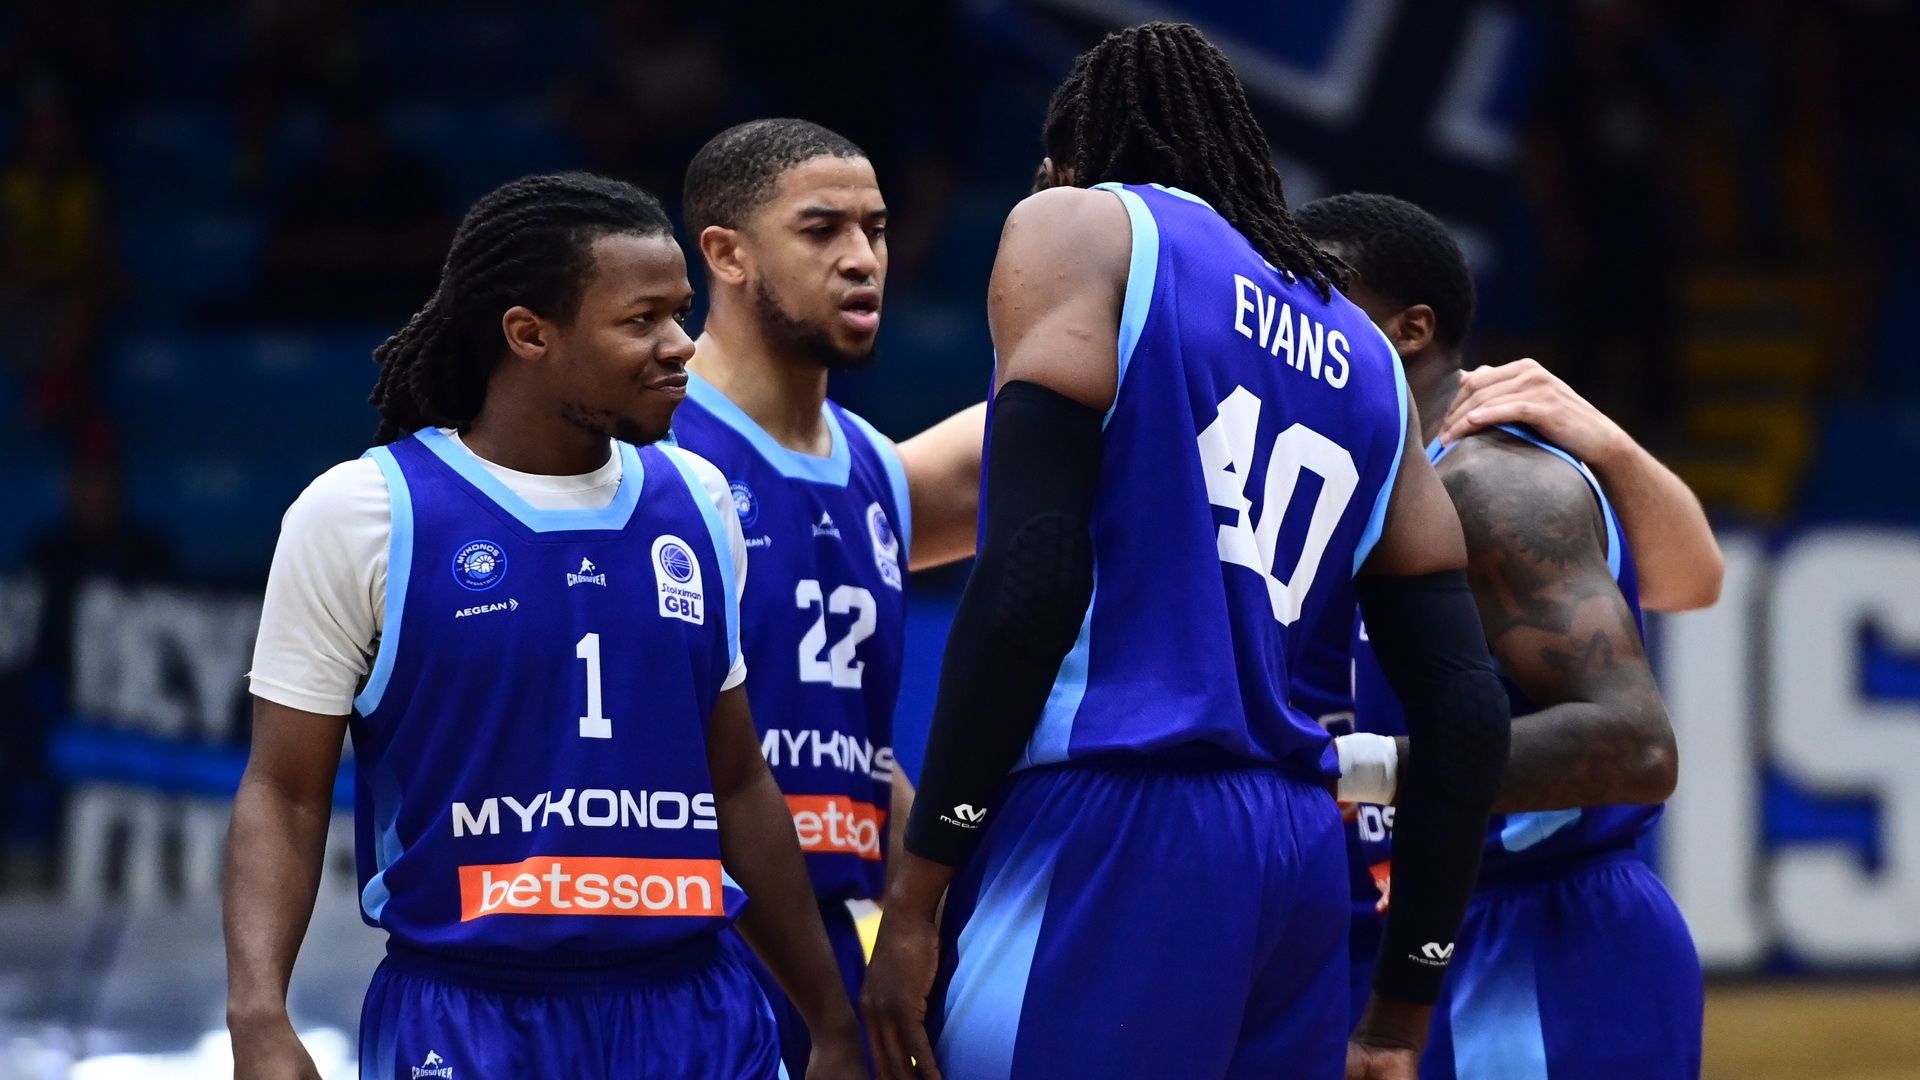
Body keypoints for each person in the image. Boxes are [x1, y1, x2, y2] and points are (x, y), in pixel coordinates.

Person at [863, 23, 1513, 1080]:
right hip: (1294, 860)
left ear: (1071, 163)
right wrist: (1400, 1014)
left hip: (1113, 817)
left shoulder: (1083, 227)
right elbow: (1467, 714)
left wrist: (918, 889)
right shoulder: (1366, 353)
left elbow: (1033, 578)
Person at [224, 172, 862, 1080]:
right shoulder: (363, 513)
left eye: (681, 314)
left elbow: (736, 779)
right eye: (642, 320)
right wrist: (258, 1015)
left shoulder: (700, 500)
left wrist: (830, 1019)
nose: (682, 344)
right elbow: (285, 792)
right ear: (529, 334)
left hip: (697, 1010)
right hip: (471, 1015)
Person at [1298, 192, 1708, 1078]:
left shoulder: (1492, 483)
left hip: (1531, 938)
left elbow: (1636, 745)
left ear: (1411, 329)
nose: (1295, 324)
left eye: (1320, 295)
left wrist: (1343, 770)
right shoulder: (1343, 483)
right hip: (1393, 937)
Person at [671, 116, 916, 1076]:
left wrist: (925, 915)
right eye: (822, 230)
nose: (862, 259)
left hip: (835, 941)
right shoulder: (651, 447)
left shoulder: (877, 465)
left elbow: (864, 742)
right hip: (686, 938)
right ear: (726, 255)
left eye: (876, 230)